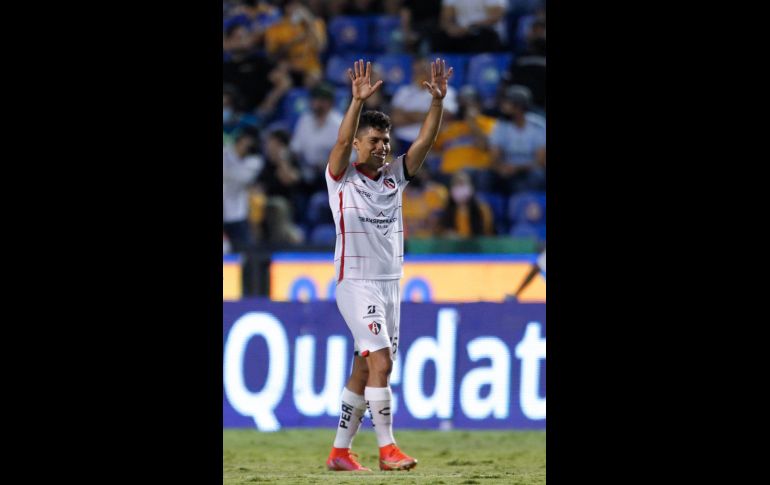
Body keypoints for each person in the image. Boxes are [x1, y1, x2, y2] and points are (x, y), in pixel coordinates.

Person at [324, 58, 453, 472]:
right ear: (360, 144)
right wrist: (356, 103)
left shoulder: (396, 175)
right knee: (382, 362)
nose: (382, 146)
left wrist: (436, 104)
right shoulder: (341, 178)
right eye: (375, 140)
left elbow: (425, 145)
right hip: (355, 281)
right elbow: (341, 144)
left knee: (363, 367)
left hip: (390, 283)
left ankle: (340, 453)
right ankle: (387, 450)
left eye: (386, 140)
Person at [488, 84, 546, 197]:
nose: (503, 106)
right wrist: (500, 168)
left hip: (527, 170)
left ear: (519, 107)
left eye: (508, 103)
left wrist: (517, 168)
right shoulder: (501, 125)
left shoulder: (538, 125)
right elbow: (494, 157)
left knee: (537, 176)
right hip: (505, 170)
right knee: (486, 177)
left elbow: (540, 162)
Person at [437, 170, 495, 237]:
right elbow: (441, 233)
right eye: (456, 185)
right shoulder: (447, 211)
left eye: (462, 184)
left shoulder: (482, 209)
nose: (459, 188)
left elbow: (487, 232)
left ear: (471, 187)